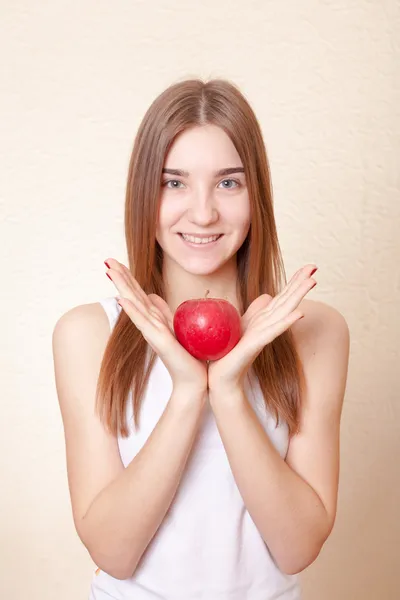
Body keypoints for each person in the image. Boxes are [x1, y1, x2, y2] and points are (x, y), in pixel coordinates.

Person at [52, 78, 350, 600]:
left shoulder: (314, 332)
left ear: (257, 194)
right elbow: (113, 553)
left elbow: (298, 548)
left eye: (229, 183)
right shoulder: (88, 335)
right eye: (174, 182)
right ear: (144, 192)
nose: (204, 212)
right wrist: (189, 392)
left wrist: (229, 391)